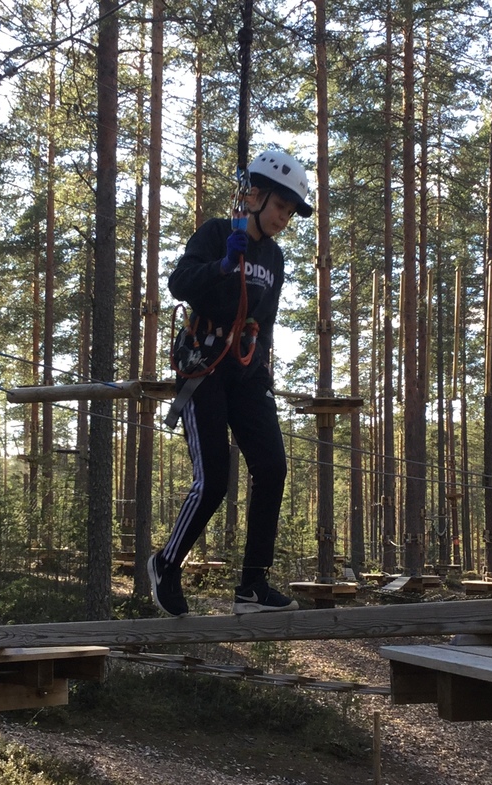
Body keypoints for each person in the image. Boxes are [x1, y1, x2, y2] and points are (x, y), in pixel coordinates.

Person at [148, 150, 312, 617]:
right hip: (203, 365)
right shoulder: (218, 233)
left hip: (246, 369)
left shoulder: (274, 257)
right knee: (214, 479)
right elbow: (179, 283)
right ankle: (166, 564)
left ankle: (253, 586)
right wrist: (222, 265)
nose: (283, 219)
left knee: (272, 467)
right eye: (280, 206)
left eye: (290, 213)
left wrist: (262, 371)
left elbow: (266, 319)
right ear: (255, 195)